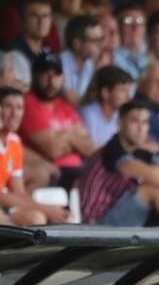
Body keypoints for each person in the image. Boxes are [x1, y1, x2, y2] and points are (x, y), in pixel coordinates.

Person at [78, 100, 159, 225]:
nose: (141, 128)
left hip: (118, 214)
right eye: (134, 121)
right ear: (120, 123)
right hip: (97, 224)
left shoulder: (137, 151)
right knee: (151, 189)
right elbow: (152, 175)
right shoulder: (112, 149)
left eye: (145, 122)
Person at [18, 51, 96, 188]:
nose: (51, 81)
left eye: (56, 75)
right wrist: (74, 139)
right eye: (45, 74)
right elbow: (53, 150)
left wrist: (65, 137)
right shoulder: (27, 103)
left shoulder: (65, 107)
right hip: (53, 173)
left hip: (77, 170)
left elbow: (90, 147)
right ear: (35, 76)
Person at [0, 87, 67, 223]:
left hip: (4, 208)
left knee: (37, 218)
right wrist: (45, 208)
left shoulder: (14, 142)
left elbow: (19, 191)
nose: (15, 113)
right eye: (8, 106)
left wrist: (45, 209)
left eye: (19, 108)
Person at [78, 65, 133, 147]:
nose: (128, 97)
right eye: (123, 90)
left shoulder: (119, 117)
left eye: (128, 91)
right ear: (105, 93)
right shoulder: (88, 114)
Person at [58, 14, 101, 107]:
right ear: (76, 44)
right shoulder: (61, 62)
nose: (100, 45)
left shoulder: (88, 64)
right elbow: (73, 102)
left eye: (100, 39)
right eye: (95, 41)